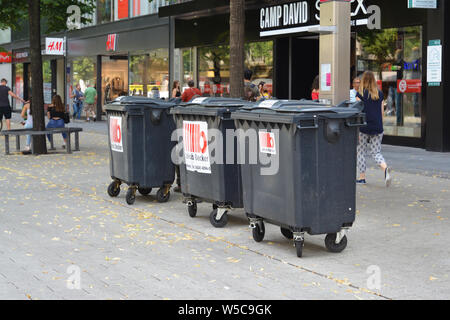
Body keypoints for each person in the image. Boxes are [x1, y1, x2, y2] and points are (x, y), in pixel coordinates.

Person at [356, 71, 392, 187]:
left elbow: (357, 112)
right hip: (377, 126)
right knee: (376, 152)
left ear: (363, 81)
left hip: (363, 127)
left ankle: (362, 178)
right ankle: (385, 168)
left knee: (361, 152)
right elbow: (381, 112)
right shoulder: (380, 93)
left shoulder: (360, 94)